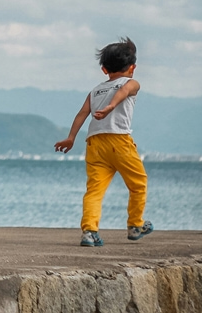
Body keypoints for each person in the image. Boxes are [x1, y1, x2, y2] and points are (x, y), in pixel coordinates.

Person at [54, 37, 153, 247]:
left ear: (104, 70)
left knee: (94, 191)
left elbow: (82, 114)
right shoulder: (131, 83)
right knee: (138, 184)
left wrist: (71, 137)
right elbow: (123, 92)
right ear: (132, 68)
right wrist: (111, 107)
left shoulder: (96, 90)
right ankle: (135, 225)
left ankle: (89, 232)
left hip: (94, 144)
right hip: (119, 141)